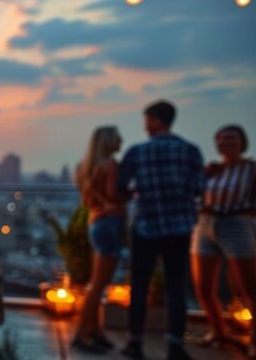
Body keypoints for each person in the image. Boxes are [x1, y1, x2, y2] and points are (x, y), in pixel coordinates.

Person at [117, 100, 204, 360]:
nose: (145, 125)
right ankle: (175, 344)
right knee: (176, 287)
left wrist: (138, 192)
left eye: (147, 119)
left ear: (155, 120)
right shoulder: (190, 150)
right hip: (179, 226)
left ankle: (136, 342)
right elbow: (200, 188)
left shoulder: (137, 152)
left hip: (146, 226)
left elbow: (122, 186)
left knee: (140, 286)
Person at [191, 124, 256, 357]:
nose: (227, 142)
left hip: (236, 224)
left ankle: (253, 339)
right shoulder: (213, 170)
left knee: (248, 286)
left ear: (242, 142)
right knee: (204, 285)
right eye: (222, 139)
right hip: (206, 224)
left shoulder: (251, 169)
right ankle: (219, 331)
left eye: (232, 138)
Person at [72, 126, 126, 353]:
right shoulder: (111, 165)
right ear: (110, 142)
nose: (121, 141)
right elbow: (114, 195)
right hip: (109, 223)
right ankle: (82, 335)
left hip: (95, 222)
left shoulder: (84, 167)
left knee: (96, 283)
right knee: (98, 285)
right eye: (117, 138)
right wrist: (130, 194)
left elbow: (88, 200)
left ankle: (95, 331)